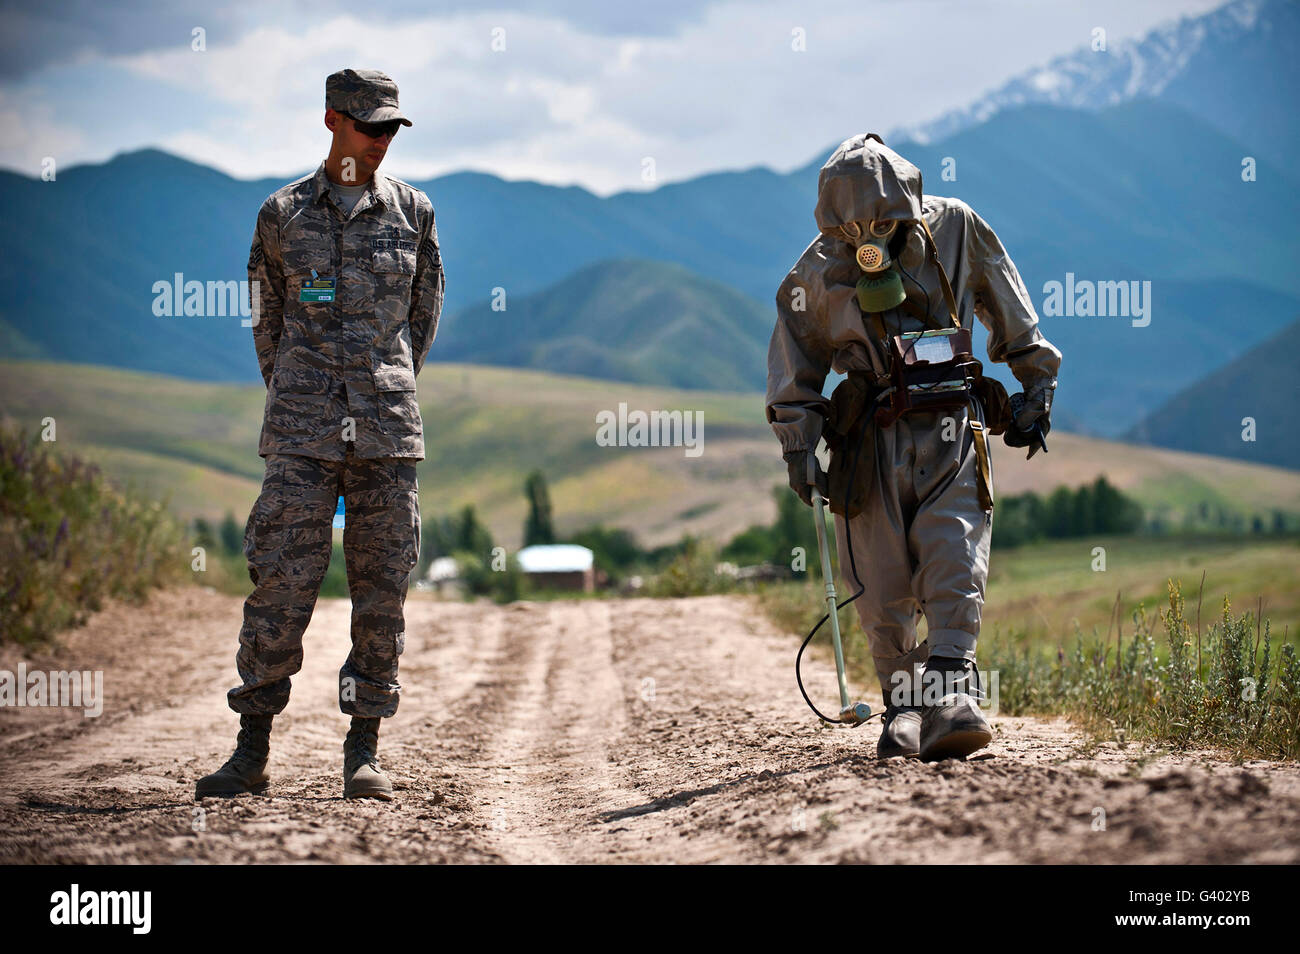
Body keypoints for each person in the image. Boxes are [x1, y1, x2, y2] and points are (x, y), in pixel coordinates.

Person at [766, 133, 1059, 761]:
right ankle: (901, 708)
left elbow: (1009, 303)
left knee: (953, 551)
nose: (866, 235)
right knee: (880, 577)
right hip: (869, 438)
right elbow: (795, 359)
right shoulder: (815, 271)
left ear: (908, 203)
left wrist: (1035, 383)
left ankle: (952, 695)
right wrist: (799, 444)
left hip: (952, 426)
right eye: (849, 227)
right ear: (831, 221)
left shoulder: (956, 229)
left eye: (881, 221)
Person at [196, 69, 445, 800]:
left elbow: (421, 318)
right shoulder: (281, 214)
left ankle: (363, 747)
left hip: (386, 433)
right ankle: (251, 749)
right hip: (302, 432)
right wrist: (303, 393)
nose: (381, 142)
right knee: (279, 584)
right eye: (371, 127)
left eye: (392, 130)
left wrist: (383, 384)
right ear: (332, 120)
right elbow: (266, 321)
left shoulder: (413, 212)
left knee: (381, 593)